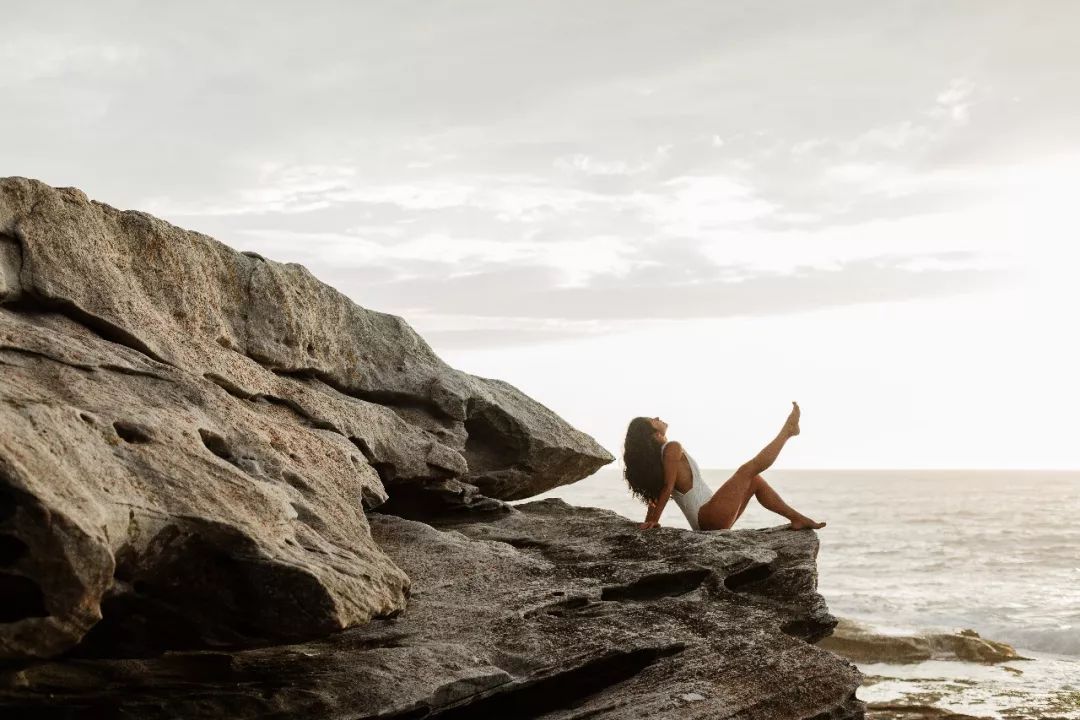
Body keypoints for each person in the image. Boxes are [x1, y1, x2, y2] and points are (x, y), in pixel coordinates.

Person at [622, 402, 825, 532]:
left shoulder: (663, 455)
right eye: (653, 421)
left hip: (709, 520)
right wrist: (654, 521)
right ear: (654, 435)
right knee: (748, 470)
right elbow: (666, 487)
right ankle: (787, 432)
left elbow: (658, 494)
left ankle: (797, 518)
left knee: (754, 480)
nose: (657, 418)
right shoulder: (671, 448)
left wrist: (649, 521)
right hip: (709, 518)